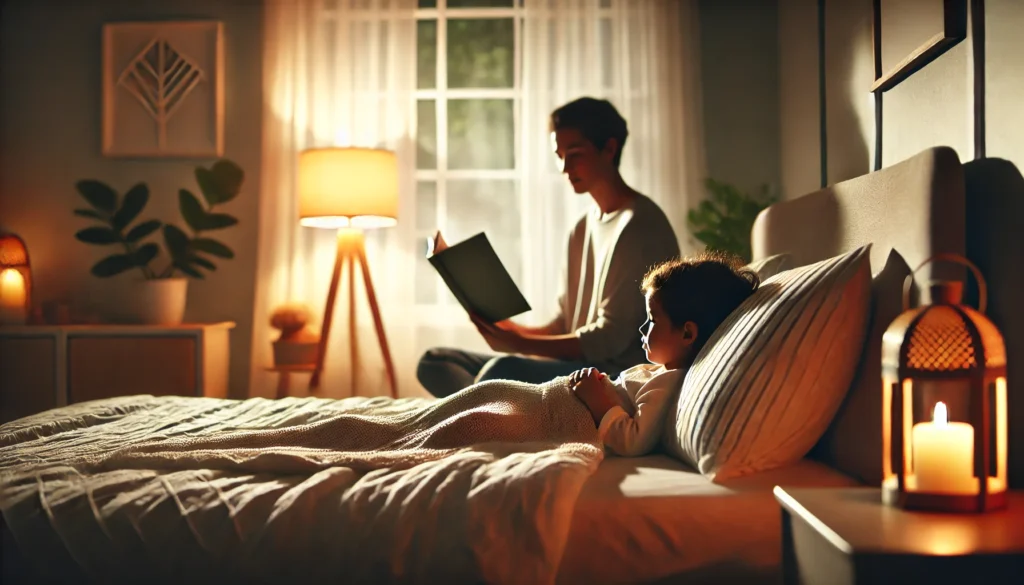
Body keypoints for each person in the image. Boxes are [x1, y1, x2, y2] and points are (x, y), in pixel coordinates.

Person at [417, 97, 681, 398]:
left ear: (609, 149)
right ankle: (499, 404)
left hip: (609, 376)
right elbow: (564, 324)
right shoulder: (582, 228)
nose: (564, 167)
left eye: (575, 154)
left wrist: (518, 345)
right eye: (559, 155)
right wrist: (512, 331)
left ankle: (493, 402)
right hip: (572, 364)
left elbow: (609, 340)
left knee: (501, 371)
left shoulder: (639, 225)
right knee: (435, 361)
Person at [569, 252, 760, 456]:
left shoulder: (667, 384)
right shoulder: (660, 373)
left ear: (687, 333)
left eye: (652, 320)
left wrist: (595, 397)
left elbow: (633, 440)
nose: (642, 328)